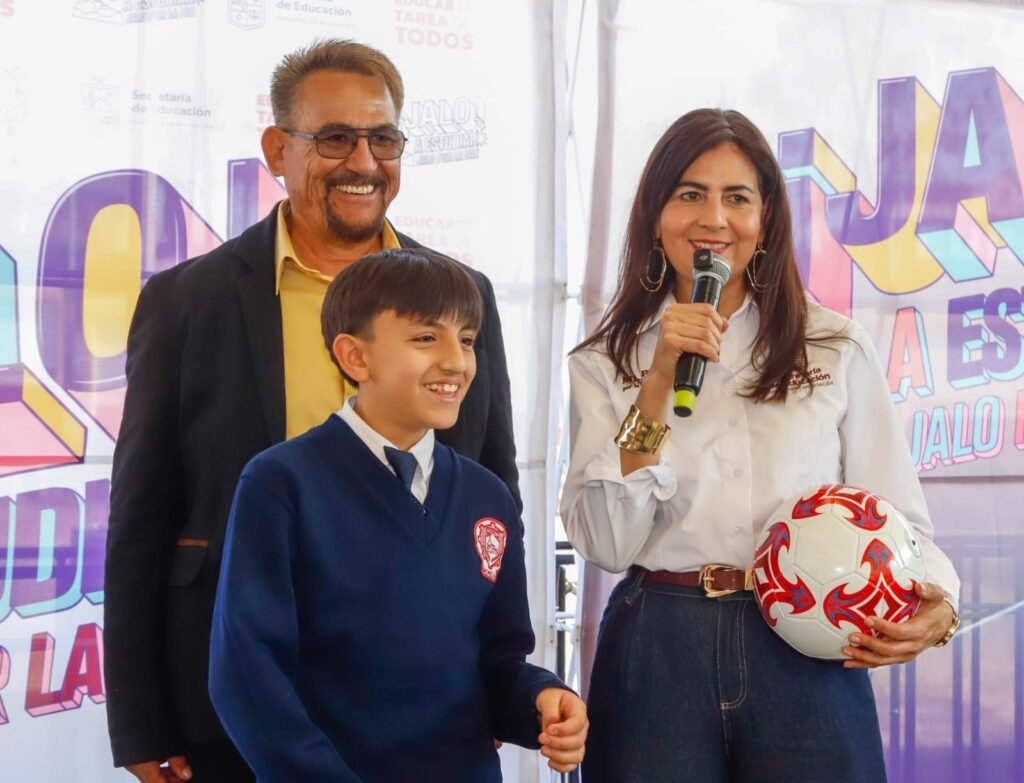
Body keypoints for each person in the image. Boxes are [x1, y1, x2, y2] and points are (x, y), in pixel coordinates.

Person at [104, 40, 519, 783]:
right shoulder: (188, 301)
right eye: (334, 138)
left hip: (425, 713)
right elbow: (143, 514)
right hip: (236, 712)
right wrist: (139, 718)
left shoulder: (465, 298)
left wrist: (501, 690)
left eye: (383, 138)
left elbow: (493, 491)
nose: (363, 161)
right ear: (277, 150)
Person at [560, 108, 961, 783]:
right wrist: (656, 383)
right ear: (655, 215)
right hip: (660, 644)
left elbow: (902, 521)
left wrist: (940, 605)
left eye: (738, 198)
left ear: (766, 219)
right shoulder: (604, 361)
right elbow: (605, 541)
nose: (714, 218)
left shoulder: (833, 345)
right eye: (690, 194)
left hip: (809, 638)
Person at [209, 248, 588, 781]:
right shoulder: (280, 485)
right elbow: (248, 677)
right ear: (355, 357)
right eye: (426, 337)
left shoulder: (488, 497)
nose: (455, 361)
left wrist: (542, 700)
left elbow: (499, 663)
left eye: (467, 339)